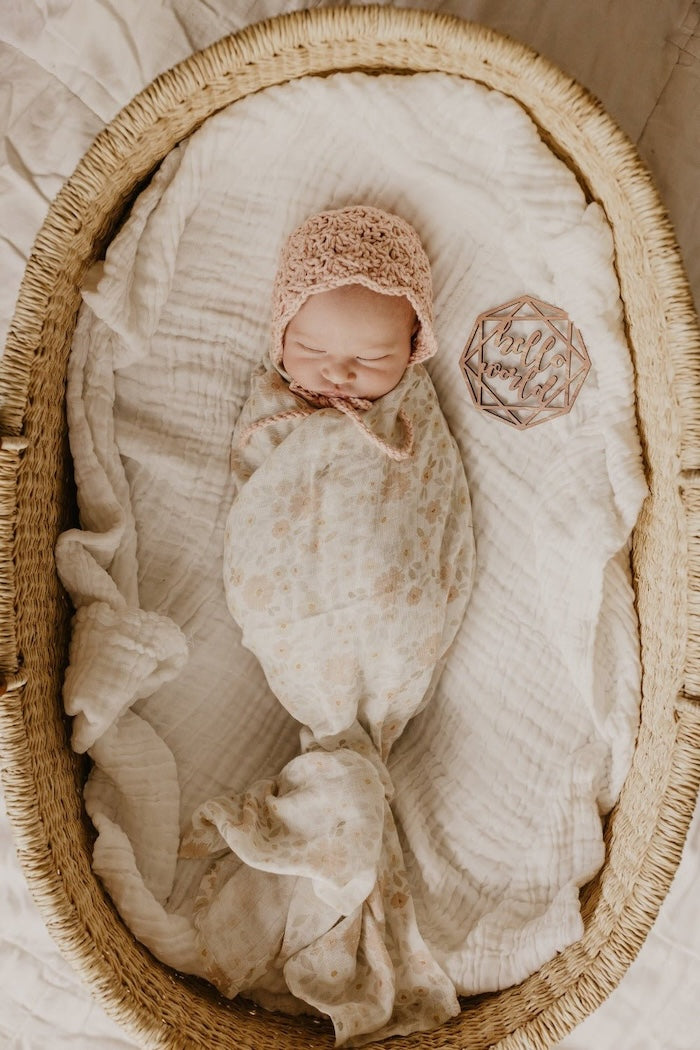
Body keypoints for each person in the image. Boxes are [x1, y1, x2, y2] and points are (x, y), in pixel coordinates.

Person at [182, 205, 475, 1046]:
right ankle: (336, 805)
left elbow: (436, 507)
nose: (339, 377)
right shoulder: (274, 407)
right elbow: (258, 490)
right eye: (312, 351)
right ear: (281, 336)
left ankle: (333, 817)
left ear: (412, 357)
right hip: (299, 611)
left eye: (371, 360)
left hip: (391, 616)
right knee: (304, 610)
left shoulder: (408, 419)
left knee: (395, 582)